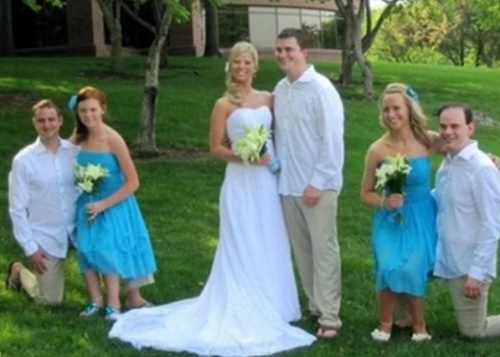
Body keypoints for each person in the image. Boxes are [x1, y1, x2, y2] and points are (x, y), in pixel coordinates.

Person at [109, 42, 316, 356]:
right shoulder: (223, 104)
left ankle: (274, 304)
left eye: (247, 63)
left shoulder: (269, 99)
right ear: (230, 67)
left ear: (255, 67)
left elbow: (280, 135)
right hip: (241, 180)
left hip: (267, 182)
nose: (242, 68)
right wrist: (245, 156)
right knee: (242, 240)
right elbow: (215, 148)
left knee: (270, 238)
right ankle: (241, 300)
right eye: (237, 63)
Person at [433, 103, 500, 338]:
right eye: (443, 126)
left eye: (455, 126)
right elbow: (442, 199)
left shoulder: (482, 168)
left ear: (470, 128)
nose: (448, 132)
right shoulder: (449, 162)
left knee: (473, 332)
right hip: (447, 254)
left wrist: (476, 273)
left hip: (469, 263)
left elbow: (492, 225)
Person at [273, 28, 345, 338]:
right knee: (302, 250)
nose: (283, 55)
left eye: (289, 49)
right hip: (288, 185)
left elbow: (332, 142)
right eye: (279, 50)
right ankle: (314, 306)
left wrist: (317, 183)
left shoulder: (321, 89)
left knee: (324, 249)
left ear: (305, 53)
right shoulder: (280, 89)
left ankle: (330, 317)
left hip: (318, 185)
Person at [69, 86, 157, 321]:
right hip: (86, 204)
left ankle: (114, 304)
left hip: (114, 204)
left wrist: (104, 204)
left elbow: (133, 182)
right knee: (86, 250)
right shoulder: (77, 138)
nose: (89, 115)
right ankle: (95, 301)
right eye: (83, 110)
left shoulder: (113, 139)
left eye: (93, 110)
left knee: (109, 251)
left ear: (103, 110)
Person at [360, 83, 437, 342]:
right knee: (388, 266)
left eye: (396, 108)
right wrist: (384, 202)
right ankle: (385, 324)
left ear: (408, 109)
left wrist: (491, 158)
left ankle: (418, 325)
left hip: (421, 216)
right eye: (386, 110)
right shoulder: (378, 149)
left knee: (412, 267)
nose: (391, 115)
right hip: (389, 218)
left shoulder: (427, 140)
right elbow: (365, 193)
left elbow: (461, 146)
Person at [7, 100, 77, 305]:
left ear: (60, 121)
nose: (47, 125)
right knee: (50, 301)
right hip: (45, 235)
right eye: (41, 121)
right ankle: (19, 272)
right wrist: (31, 248)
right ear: (34, 123)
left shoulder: (74, 153)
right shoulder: (23, 160)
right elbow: (17, 209)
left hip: (79, 230)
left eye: (51, 119)